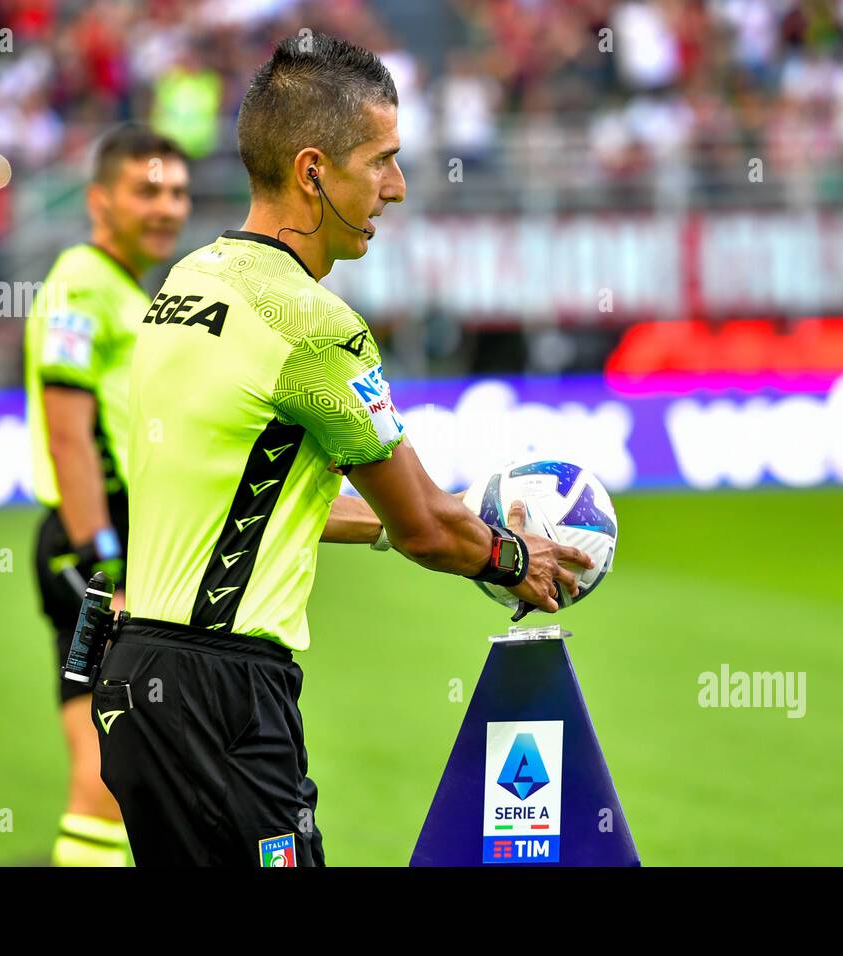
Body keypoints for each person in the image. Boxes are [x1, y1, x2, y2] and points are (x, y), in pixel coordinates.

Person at [94, 33, 590, 867]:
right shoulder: (314, 324)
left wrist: (416, 522)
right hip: (225, 694)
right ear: (314, 170)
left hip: (136, 679)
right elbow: (430, 527)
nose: (396, 188)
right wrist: (510, 557)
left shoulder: (187, 284)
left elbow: (248, 501)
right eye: (383, 162)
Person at [23, 122, 190, 866]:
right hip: (99, 548)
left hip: (114, 546)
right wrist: (106, 567)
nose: (166, 207)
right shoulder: (82, 282)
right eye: (146, 190)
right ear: (100, 200)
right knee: (110, 778)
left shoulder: (123, 290)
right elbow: (69, 432)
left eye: (179, 192)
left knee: (116, 772)